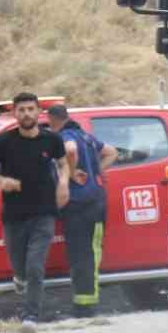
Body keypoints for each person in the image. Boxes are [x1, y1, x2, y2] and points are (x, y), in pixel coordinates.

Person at [0, 93, 68, 333]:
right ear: (15, 114)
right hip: (14, 215)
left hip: (44, 212)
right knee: (20, 267)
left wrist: (63, 184)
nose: (26, 114)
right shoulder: (3, 143)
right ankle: (18, 278)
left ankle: (30, 318)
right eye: (22, 110)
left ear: (39, 112)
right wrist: (2, 181)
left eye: (31, 109)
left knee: (35, 267)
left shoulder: (52, 140)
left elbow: (63, 164)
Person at [45, 104, 117, 317]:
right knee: (85, 253)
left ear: (53, 119)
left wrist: (71, 171)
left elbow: (70, 150)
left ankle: (86, 305)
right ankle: (83, 302)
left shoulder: (65, 136)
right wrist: (96, 171)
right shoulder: (86, 136)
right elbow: (112, 152)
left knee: (84, 255)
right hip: (92, 202)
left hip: (82, 204)